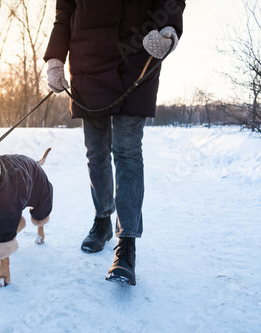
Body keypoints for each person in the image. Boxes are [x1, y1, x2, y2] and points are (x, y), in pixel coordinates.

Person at [44, 0, 185, 286]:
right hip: (88, 60)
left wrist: (168, 29)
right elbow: (64, 14)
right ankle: (102, 220)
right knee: (95, 151)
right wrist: (55, 59)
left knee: (127, 151)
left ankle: (127, 244)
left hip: (137, 55)